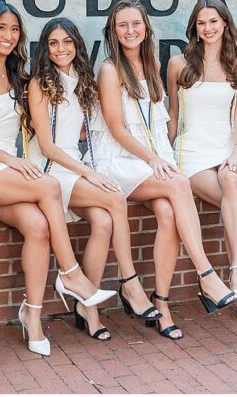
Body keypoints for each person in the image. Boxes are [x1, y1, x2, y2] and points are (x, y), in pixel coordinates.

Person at [0, 1, 115, 357]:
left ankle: (33, 315)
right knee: (49, 184)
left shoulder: (19, 77)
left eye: (13, 30)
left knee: (39, 227)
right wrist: (12, 161)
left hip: (9, 170)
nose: (8, 36)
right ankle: (70, 273)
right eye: (1, 29)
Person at [90, 0, 237, 340]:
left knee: (170, 216)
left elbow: (161, 125)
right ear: (113, 32)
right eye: (122, 25)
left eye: (136, 24)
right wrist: (154, 160)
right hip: (120, 161)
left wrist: (162, 158)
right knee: (178, 186)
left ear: (146, 28)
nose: (130, 30)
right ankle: (206, 275)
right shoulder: (110, 69)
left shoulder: (152, 68)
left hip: (151, 162)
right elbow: (117, 128)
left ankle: (162, 305)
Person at [26, 17, 162, 340]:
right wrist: (88, 172)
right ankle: (130, 283)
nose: (62, 49)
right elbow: (46, 145)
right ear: (45, 48)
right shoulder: (40, 83)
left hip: (76, 165)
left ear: (77, 45)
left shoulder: (83, 78)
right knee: (115, 197)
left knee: (102, 223)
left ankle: (87, 308)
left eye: (68, 42)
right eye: (54, 43)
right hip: (52, 169)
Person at [166, 0, 237, 327]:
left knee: (233, 181)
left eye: (213, 21)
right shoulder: (178, 64)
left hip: (225, 149)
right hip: (191, 153)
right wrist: (163, 156)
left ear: (225, 23)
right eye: (201, 22)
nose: (208, 28)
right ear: (194, 28)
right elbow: (173, 115)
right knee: (233, 201)